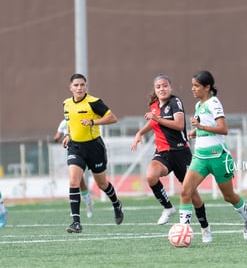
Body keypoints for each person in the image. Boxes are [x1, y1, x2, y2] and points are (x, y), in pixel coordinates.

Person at [130, 74, 212, 243]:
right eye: (158, 86)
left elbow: (179, 125)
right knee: (151, 176)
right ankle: (168, 208)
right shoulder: (154, 106)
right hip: (163, 152)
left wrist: (157, 119)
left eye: (165, 85)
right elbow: (152, 123)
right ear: (155, 89)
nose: (162, 89)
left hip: (181, 153)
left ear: (170, 87)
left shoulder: (175, 102)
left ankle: (205, 228)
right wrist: (140, 133)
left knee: (193, 195)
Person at [179, 70, 247, 241]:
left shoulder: (214, 102)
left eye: (196, 86)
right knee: (185, 191)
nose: (193, 89)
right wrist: (195, 132)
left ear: (207, 87)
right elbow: (205, 127)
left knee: (228, 196)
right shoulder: (199, 105)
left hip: (218, 157)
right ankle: (184, 232)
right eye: (192, 85)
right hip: (200, 157)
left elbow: (223, 129)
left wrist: (200, 127)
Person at [62, 73, 123, 233]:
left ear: (86, 86)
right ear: (70, 88)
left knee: (102, 184)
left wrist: (93, 121)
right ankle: (76, 222)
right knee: (74, 181)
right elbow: (69, 123)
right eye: (76, 85)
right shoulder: (66, 104)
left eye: (82, 85)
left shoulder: (94, 102)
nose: (79, 88)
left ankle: (116, 204)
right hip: (75, 147)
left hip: (94, 147)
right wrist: (67, 135)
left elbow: (113, 118)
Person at [54, 119, 94, 218]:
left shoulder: (80, 120)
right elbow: (58, 135)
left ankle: (79, 207)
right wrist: (55, 139)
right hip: (71, 154)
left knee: (77, 180)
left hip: (82, 153)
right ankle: (87, 202)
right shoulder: (63, 123)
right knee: (79, 181)